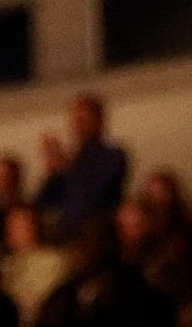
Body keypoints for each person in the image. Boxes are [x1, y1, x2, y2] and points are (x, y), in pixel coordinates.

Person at [36, 92, 129, 242]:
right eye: (76, 120)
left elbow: (93, 193)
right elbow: (47, 200)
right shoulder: (72, 160)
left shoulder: (113, 156)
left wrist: (65, 166)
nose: (79, 125)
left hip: (99, 237)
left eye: (84, 119)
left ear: (99, 121)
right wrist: (51, 172)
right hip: (68, 237)